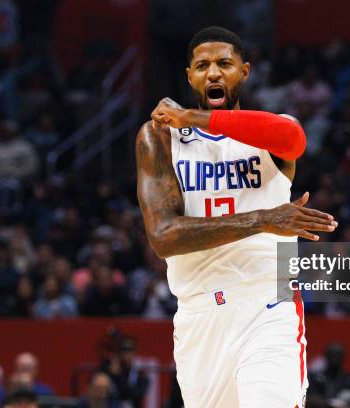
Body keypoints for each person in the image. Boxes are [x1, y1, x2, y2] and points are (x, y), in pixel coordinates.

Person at [136, 26, 337, 407]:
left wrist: (191, 117)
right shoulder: (159, 138)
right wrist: (262, 219)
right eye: (203, 65)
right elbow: (163, 237)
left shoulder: (269, 133)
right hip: (198, 315)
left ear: (244, 71)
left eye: (224, 64)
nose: (213, 73)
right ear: (189, 76)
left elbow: (294, 137)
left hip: (267, 306)